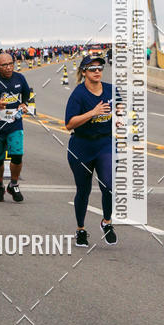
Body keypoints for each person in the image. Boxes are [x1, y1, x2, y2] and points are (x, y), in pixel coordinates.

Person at [65, 55, 117, 247]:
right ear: (84, 71)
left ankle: (107, 222)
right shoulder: (78, 94)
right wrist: (92, 113)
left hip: (105, 144)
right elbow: (69, 124)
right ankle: (80, 229)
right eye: (92, 68)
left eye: (99, 68)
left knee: (109, 186)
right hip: (81, 147)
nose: (97, 71)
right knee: (83, 190)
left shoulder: (111, 90)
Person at [0, 53, 31, 202]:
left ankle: (14, 184)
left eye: (11, 63)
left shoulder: (19, 78)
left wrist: (24, 104)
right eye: (4, 65)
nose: (9, 67)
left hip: (14, 123)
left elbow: (26, 93)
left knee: (17, 155)